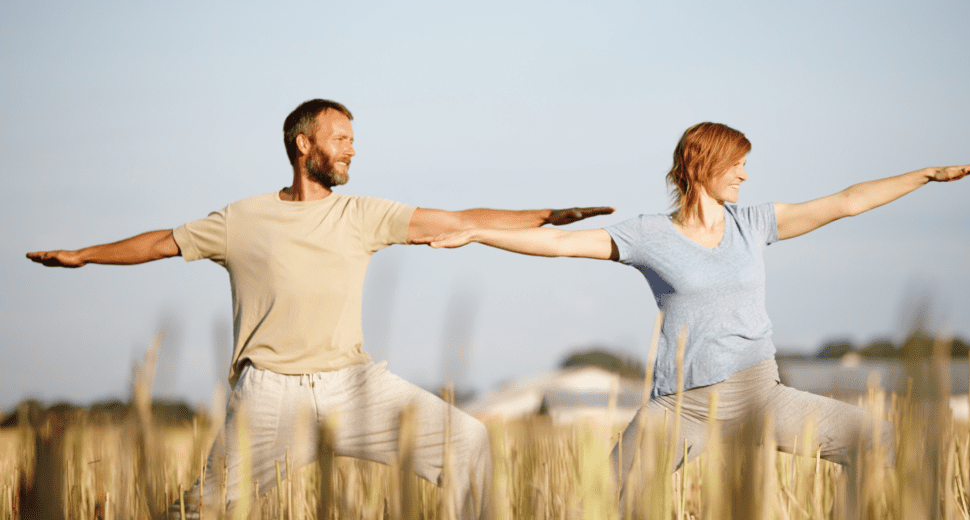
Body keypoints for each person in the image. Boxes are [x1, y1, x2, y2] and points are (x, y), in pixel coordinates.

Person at [26, 98, 614, 519]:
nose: (351, 149)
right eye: (341, 138)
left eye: (353, 140)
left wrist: (544, 215)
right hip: (269, 399)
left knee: (470, 443)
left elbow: (455, 220)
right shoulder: (241, 220)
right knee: (199, 510)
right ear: (303, 144)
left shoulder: (362, 214)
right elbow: (161, 242)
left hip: (355, 388)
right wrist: (83, 255)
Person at [418, 122, 970, 499]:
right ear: (703, 165)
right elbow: (562, 244)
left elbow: (844, 202)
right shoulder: (647, 235)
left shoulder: (755, 224)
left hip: (761, 396)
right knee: (610, 505)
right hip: (682, 408)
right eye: (737, 163)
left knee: (879, 441)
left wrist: (926, 176)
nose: (747, 174)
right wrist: (475, 232)